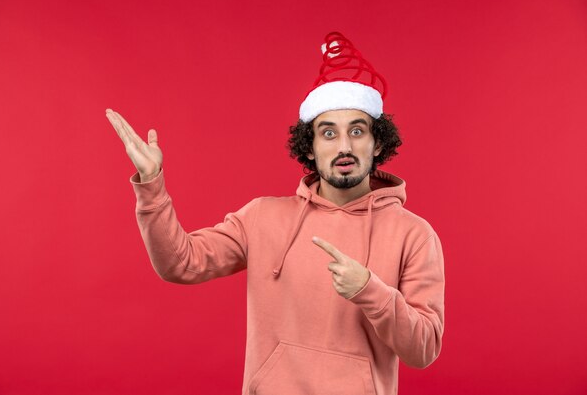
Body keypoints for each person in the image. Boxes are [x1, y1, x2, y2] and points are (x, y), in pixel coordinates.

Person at [106, 32, 445, 395]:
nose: (344, 146)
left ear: (377, 142)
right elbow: (181, 263)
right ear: (310, 148)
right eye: (328, 133)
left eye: (357, 131)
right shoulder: (263, 217)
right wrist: (151, 182)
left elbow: (423, 349)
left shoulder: (413, 234)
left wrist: (369, 290)